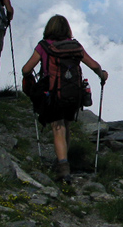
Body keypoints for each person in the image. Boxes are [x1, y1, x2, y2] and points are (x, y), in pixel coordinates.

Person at [22, 14, 107, 181]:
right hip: (74, 94)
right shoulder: (75, 46)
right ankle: (64, 161)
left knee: (57, 127)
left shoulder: (44, 46)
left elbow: (26, 69)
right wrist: (102, 75)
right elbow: (94, 65)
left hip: (54, 94)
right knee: (66, 125)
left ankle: (63, 167)